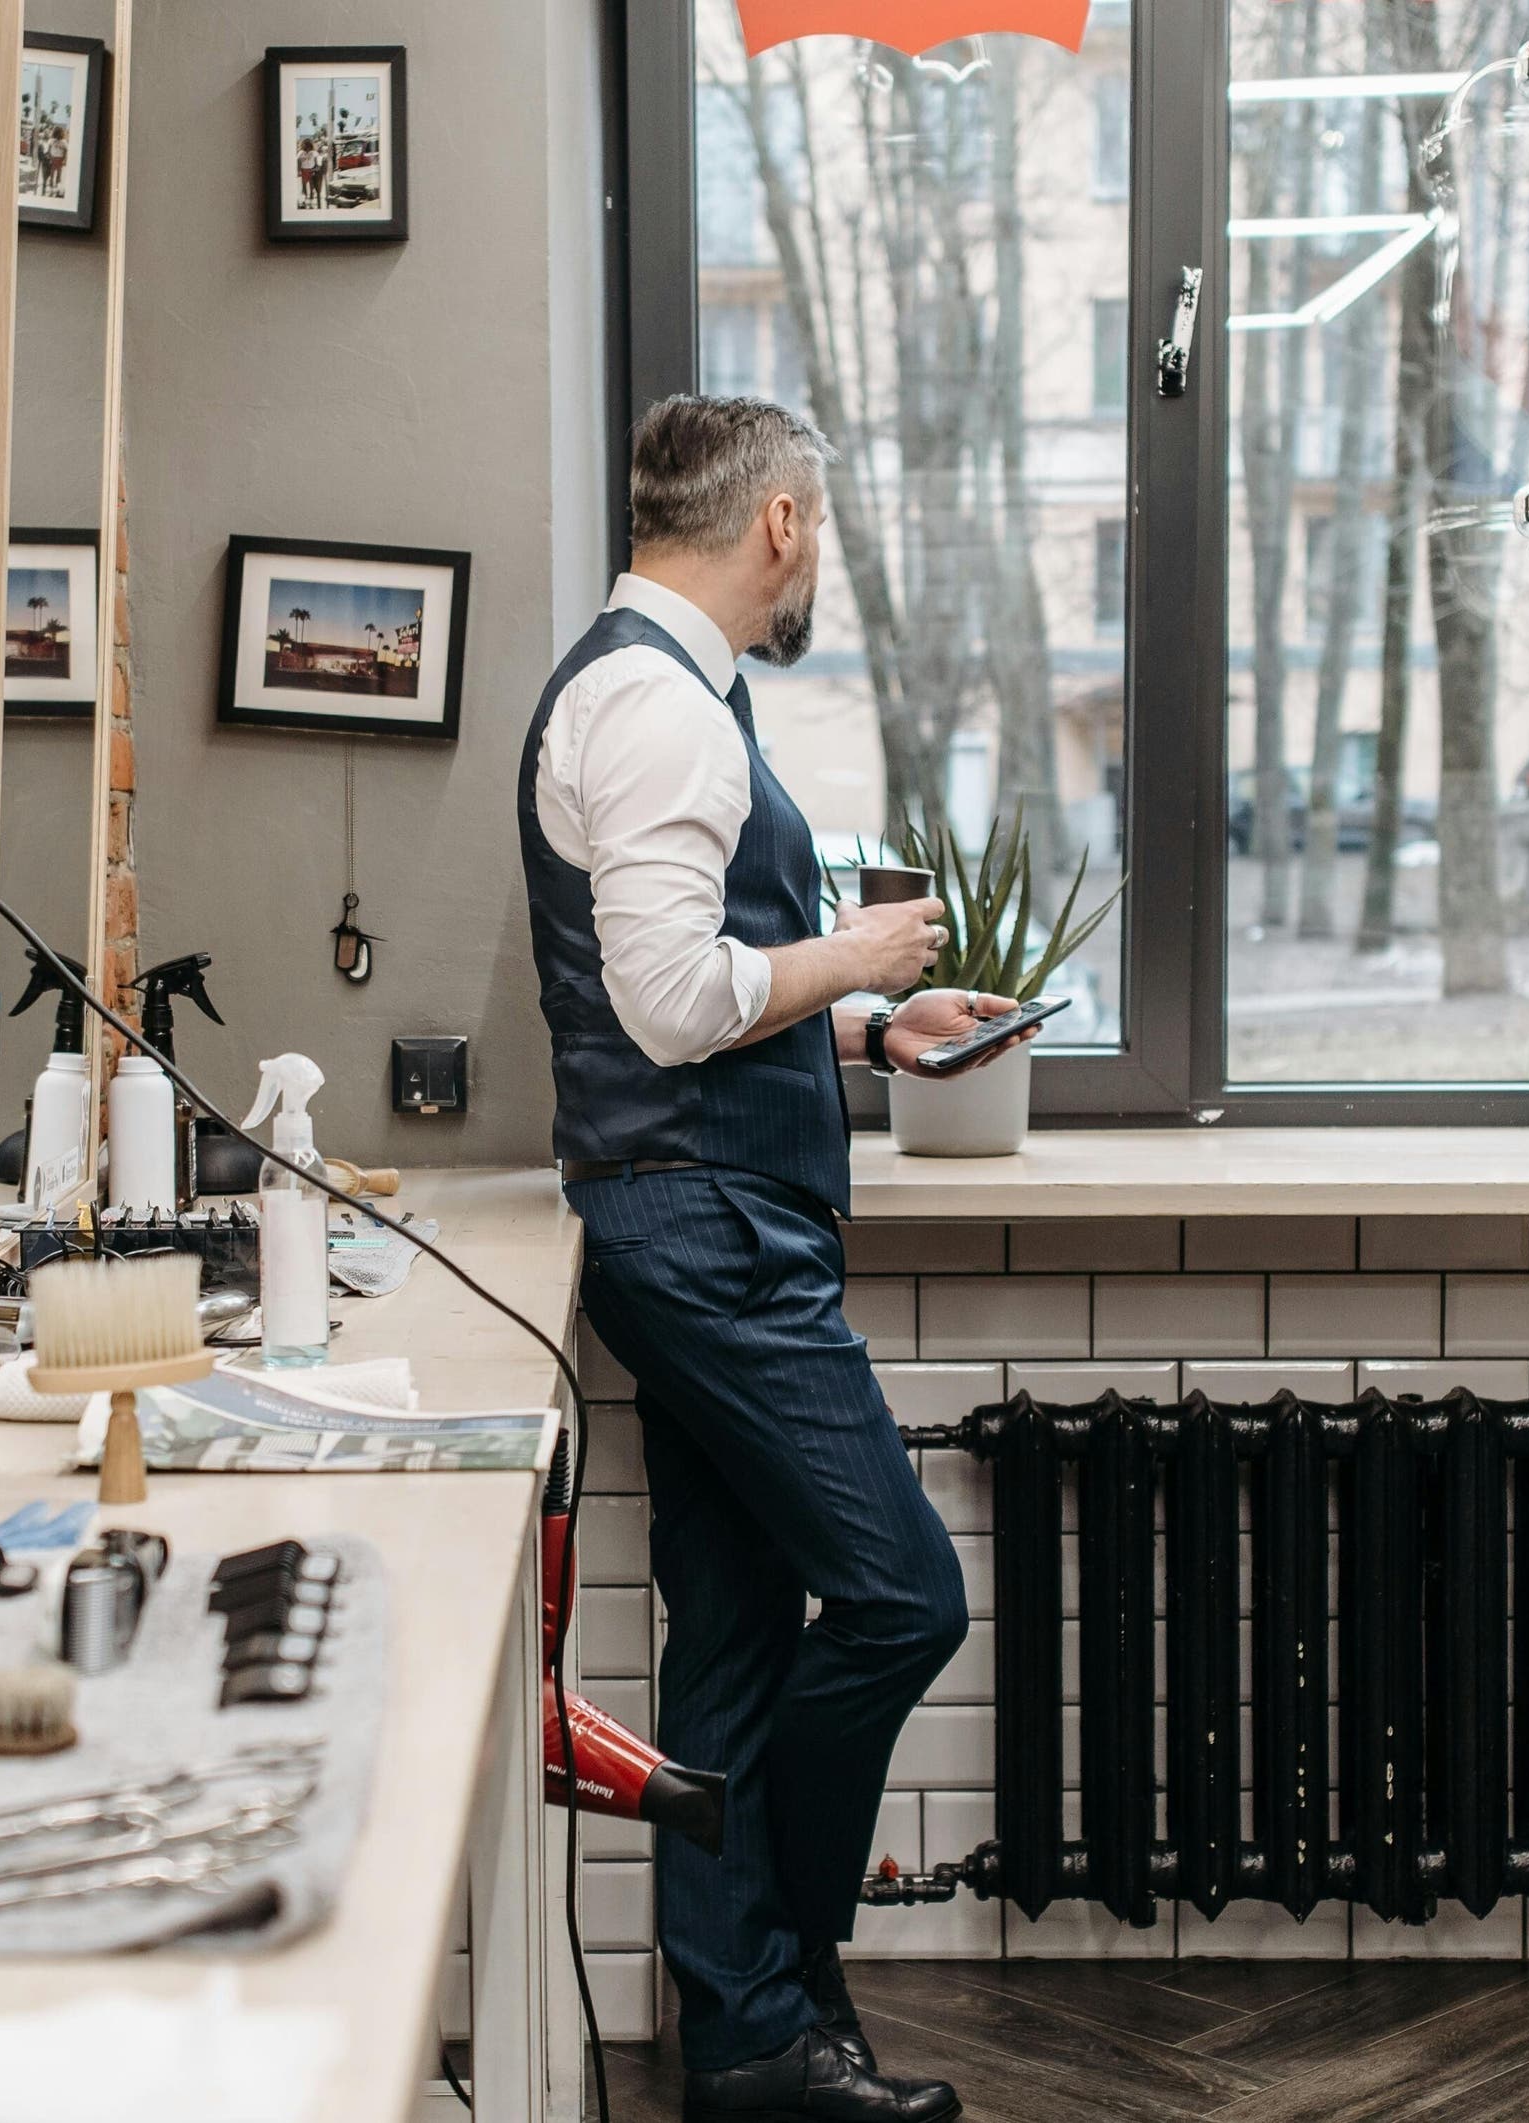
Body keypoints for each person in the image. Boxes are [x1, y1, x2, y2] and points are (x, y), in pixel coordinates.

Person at [521, 394, 1034, 2122]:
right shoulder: (659, 708)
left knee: (734, 1634)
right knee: (906, 1596)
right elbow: (674, 1007)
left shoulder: (649, 692)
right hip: (714, 1237)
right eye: (820, 524)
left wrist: (877, 1029)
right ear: (786, 524)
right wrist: (860, 945)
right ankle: (798, 1960)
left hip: (700, 1220)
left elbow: (692, 989)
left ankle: (748, 2043)